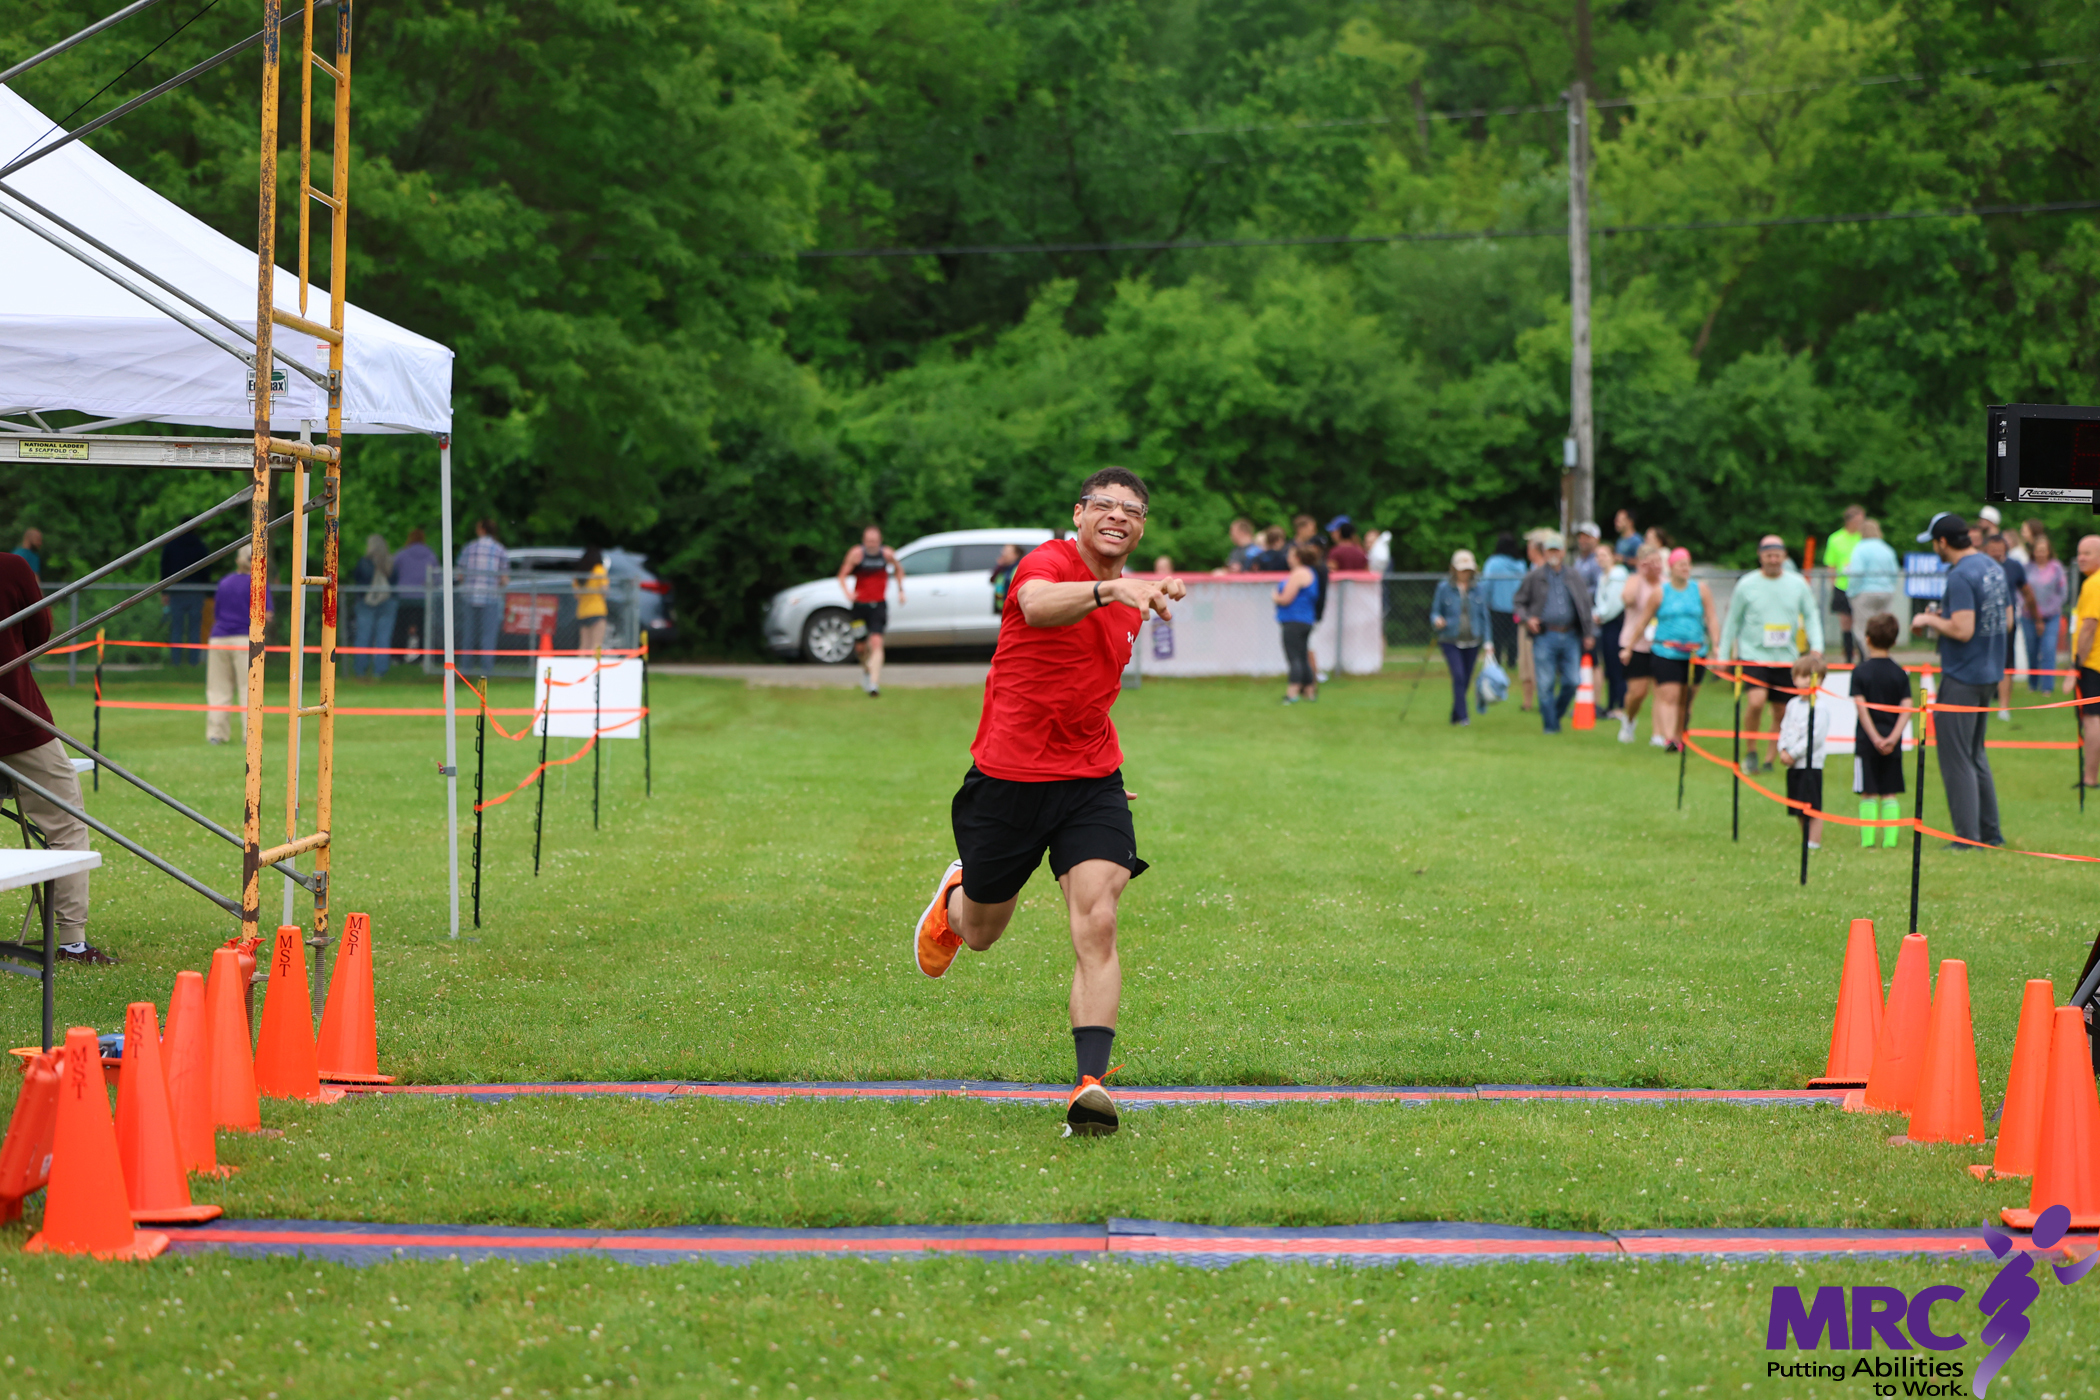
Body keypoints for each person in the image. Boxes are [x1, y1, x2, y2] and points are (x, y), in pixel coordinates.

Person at [910, 468, 1184, 1139]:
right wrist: (1109, 588)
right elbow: (1036, 606)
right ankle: (955, 897)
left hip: (1090, 782)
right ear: (1079, 513)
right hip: (1007, 780)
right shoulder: (1049, 564)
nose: (1118, 516)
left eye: (1132, 510)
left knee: (1099, 919)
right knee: (982, 933)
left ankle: (1090, 1087)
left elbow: (1088, 690)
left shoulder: (1131, 602)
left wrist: (1100, 781)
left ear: (1142, 527)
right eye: (1105, 505)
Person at [0, 552, 104, 963]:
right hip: (15, 717)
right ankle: (72, 941)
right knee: (67, 823)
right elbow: (39, 632)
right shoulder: (11, 567)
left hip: (16, 719)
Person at [1911, 512, 2006, 850]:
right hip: (1990, 672)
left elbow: (1963, 630)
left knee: (1956, 757)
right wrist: (1947, 618)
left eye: (1934, 543)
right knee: (1975, 754)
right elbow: (2006, 620)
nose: (1934, 549)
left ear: (1943, 542)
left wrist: (1928, 620)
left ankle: (1966, 838)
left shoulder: (1960, 575)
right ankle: (1990, 833)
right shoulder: (1992, 567)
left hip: (1963, 675)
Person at [1718, 535, 1824, 774]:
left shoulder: (1798, 584)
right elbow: (1732, 621)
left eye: (1777, 555)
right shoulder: (1746, 584)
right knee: (1756, 702)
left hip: (1786, 658)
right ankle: (1751, 750)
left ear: (1784, 556)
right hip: (1753, 655)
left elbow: (1811, 615)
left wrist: (1817, 646)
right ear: (1760, 556)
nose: (1773, 560)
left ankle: (1769, 758)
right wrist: (1724, 655)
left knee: (1782, 711)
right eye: (1769, 555)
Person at [1625, 547, 1717, 752]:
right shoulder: (1661, 592)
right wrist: (1629, 647)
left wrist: (1716, 645)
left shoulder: (1701, 590)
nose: (1685, 568)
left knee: (1686, 698)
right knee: (1670, 695)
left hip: (1695, 652)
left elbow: (1711, 618)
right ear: (1672, 567)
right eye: (1681, 565)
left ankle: (1679, 735)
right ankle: (1670, 739)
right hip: (1666, 652)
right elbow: (1643, 621)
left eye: (1688, 565)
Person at [1512, 532, 1594, 734]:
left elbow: (1585, 605)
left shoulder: (1573, 576)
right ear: (1545, 552)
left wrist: (1588, 633)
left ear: (1563, 552)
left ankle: (1554, 715)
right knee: (1545, 682)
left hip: (1570, 634)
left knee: (1572, 681)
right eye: (1550, 550)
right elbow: (1519, 602)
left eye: (1557, 550)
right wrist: (1528, 618)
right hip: (1545, 635)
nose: (1554, 554)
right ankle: (1551, 727)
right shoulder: (1535, 577)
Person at [1851, 612, 1910, 850]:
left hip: (1867, 742)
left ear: (1867, 639)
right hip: (1892, 743)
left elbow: (1861, 708)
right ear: (1894, 641)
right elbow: (1907, 708)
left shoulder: (1860, 672)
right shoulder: (1900, 673)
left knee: (1868, 792)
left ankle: (1868, 841)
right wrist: (1893, 738)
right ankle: (1890, 841)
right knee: (1889, 792)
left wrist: (1875, 737)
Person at [205, 545, 272, 745]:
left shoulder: (224, 582)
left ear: (237, 560)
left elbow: (217, 612)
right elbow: (267, 614)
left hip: (219, 638)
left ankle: (216, 734)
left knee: (218, 688)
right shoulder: (258, 581)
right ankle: (250, 734)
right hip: (247, 639)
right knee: (250, 688)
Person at [837, 525, 902, 698]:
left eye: (874, 541)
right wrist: (848, 593)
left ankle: (874, 684)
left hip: (878, 605)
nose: (872, 544)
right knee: (860, 648)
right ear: (864, 541)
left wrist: (901, 590)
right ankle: (867, 671)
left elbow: (899, 570)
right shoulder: (856, 554)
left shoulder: (887, 554)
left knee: (876, 642)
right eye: (869, 541)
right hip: (859, 607)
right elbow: (842, 575)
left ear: (880, 541)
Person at [1775, 653, 1831, 849]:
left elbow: (1815, 738)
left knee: (1812, 806)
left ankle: (1814, 842)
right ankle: (1805, 839)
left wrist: (1794, 753)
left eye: (1814, 677)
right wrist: (1783, 749)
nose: (1808, 681)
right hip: (1793, 766)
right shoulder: (1792, 705)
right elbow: (1784, 728)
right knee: (1798, 806)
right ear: (1794, 679)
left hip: (1810, 765)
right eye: (1804, 676)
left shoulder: (1820, 708)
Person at [1430, 549, 1490, 725]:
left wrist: (1488, 642)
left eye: (1468, 570)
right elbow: (1435, 612)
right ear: (1454, 569)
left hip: (1473, 640)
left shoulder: (1478, 589)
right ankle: (1464, 716)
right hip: (1450, 639)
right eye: (1462, 570)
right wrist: (1437, 620)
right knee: (1458, 675)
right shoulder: (1444, 588)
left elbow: (1484, 616)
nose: (1465, 573)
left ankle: (1455, 715)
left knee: (1466, 679)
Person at [1618, 543, 1664, 744]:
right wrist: (1640, 575)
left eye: (1657, 562)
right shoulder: (1634, 581)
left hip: (1661, 644)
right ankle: (1628, 720)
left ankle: (1658, 734)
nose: (1655, 566)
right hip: (1635, 643)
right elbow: (1627, 600)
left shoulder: (1666, 583)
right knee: (1638, 691)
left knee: (1661, 691)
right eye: (1649, 563)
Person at [456, 518, 509, 675]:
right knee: (488, 636)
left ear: (482, 529)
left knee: (468, 635)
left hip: (470, 597)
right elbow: (504, 578)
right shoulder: (499, 549)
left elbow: (460, 575)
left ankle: (465, 669)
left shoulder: (469, 548)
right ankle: (486, 671)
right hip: (490, 598)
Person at [1982, 532, 2026, 720]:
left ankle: (2003, 707)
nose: (1996, 553)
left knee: (2006, 663)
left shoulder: (2014, 567)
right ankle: (1982, 703)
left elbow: (2026, 590)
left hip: (2006, 622)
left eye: (2000, 550)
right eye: (1993, 550)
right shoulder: (1979, 566)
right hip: (1982, 622)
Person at [1274, 545, 1321, 703]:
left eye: (1290, 555)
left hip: (1294, 620)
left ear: (1298, 558)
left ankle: (1292, 693)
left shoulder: (1299, 573)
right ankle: (1309, 691)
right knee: (1302, 656)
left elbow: (1286, 598)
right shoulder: (1310, 572)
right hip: (1305, 620)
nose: (1288, 558)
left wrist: (1275, 597)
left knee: (1294, 657)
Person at [2071, 533, 2100, 792]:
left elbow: (2089, 627)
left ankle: (2090, 778)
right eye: (2079, 553)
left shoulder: (2093, 583)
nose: (2081, 558)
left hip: (2093, 663)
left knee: (2092, 720)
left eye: (2087, 553)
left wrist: (2076, 666)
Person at [2022, 529, 2067, 694]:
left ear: (2049, 551)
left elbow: (2062, 592)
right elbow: (2020, 591)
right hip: (2029, 616)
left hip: (2051, 616)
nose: (2040, 553)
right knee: (2032, 650)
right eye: (2038, 550)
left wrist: (2046, 611)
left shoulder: (2057, 568)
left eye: (2043, 550)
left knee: (2048, 649)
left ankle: (2047, 686)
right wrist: (2031, 611)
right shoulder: (2027, 568)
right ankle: (2033, 684)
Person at [349, 534, 398, 682]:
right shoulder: (390, 563)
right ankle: (380, 671)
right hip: (388, 602)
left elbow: (358, 579)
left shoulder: (364, 562)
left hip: (366, 602)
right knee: (384, 637)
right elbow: (395, 581)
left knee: (363, 636)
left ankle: (360, 670)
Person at [159, 527, 209, 666]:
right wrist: (205, 588)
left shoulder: (171, 546)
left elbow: (165, 568)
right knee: (195, 629)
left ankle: (176, 661)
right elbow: (206, 569)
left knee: (176, 628)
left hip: (176, 590)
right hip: (196, 590)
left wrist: (164, 591)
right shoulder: (200, 545)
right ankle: (194, 661)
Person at [1592, 543, 1630, 719]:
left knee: (1617, 665)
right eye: (1598, 555)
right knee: (1609, 665)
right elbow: (1601, 601)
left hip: (1616, 624)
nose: (1601, 559)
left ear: (1613, 556)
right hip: (1606, 624)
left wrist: (1600, 615)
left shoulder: (1618, 575)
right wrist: (1598, 614)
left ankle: (1621, 704)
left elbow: (1615, 604)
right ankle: (1611, 703)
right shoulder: (1603, 577)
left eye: (1604, 555)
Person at [1845, 520, 1900, 637]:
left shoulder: (1860, 549)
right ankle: (1882, 648)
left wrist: (1852, 592)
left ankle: (1868, 649)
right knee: (1882, 628)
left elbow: (1857, 573)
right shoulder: (1887, 549)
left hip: (1865, 593)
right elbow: (1894, 573)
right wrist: (1890, 588)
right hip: (1886, 592)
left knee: (1863, 628)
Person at [1825, 505, 1866, 665]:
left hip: (1861, 587)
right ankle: (1848, 658)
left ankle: (1863, 657)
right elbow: (1831, 564)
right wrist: (1833, 583)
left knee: (1861, 623)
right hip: (1843, 585)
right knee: (1846, 623)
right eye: (1858, 520)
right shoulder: (1835, 539)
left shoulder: (1864, 538)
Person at [1480, 533, 1526, 672]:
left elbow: (1486, 584)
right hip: (1516, 608)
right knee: (1514, 637)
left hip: (1497, 607)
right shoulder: (1520, 564)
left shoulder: (1493, 563)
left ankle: (1497, 661)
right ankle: (1512, 662)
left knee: (1497, 637)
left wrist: (1485, 600)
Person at [391, 527, 436, 658]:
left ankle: (398, 656)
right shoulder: (431, 556)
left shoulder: (402, 554)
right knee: (423, 628)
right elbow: (437, 577)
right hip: (423, 598)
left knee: (400, 627)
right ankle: (423, 657)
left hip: (404, 596)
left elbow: (391, 570)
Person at [574, 546, 609, 655]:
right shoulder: (599, 569)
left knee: (584, 645)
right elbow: (604, 590)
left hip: (582, 611)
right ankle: (595, 665)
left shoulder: (580, 572)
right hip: (597, 610)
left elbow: (576, 595)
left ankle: (581, 664)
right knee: (596, 644)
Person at [990, 543, 1021, 614]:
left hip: (1012, 609)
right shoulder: (1003, 568)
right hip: (1003, 609)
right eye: (1004, 551)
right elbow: (992, 580)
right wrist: (999, 566)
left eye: (1007, 552)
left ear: (1015, 555)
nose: (1004, 554)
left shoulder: (1017, 568)